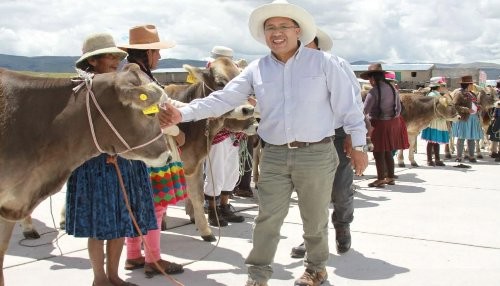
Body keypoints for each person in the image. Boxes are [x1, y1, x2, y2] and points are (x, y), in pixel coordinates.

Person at [159, 1, 369, 285]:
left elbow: (350, 108)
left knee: (315, 217)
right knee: (267, 218)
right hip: (274, 155)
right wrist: (182, 112)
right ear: (264, 34)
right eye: (270, 27)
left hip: (316, 153)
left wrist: (359, 146)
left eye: (283, 26)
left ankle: (316, 269)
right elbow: (221, 100)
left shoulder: (325, 63)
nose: (277, 32)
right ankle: (258, 275)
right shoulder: (257, 69)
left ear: (298, 31)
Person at [66, 32, 157, 286]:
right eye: (109, 56)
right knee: (99, 226)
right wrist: (106, 149)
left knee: (120, 223)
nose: (115, 60)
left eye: (117, 56)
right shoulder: (82, 89)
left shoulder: (124, 84)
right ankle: (99, 279)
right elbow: (78, 128)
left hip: (125, 162)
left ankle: (114, 276)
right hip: (95, 164)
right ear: (92, 61)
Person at [117, 24, 185, 276]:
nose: (159, 57)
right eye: (156, 52)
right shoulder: (138, 78)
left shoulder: (129, 74)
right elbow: (150, 118)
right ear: (146, 53)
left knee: (138, 204)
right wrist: (177, 131)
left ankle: (134, 255)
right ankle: (153, 259)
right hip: (150, 151)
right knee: (156, 205)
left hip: (135, 151)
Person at [290, 27, 362, 259]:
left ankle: (342, 225)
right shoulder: (290, 67)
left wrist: (354, 136)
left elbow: (354, 100)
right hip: (308, 137)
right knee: (310, 192)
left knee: (341, 187)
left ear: (316, 43)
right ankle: (311, 238)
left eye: (305, 41)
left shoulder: (337, 63)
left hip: (338, 134)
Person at [203, 45, 246, 227]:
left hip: (233, 130)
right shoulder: (209, 76)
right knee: (217, 170)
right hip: (218, 129)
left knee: (231, 169)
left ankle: (224, 206)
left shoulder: (231, 76)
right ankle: (212, 210)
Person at [362, 63, 409, 188]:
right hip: (393, 123)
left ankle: (380, 179)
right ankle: (390, 177)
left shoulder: (374, 92)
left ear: (373, 78)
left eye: (370, 79)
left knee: (378, 152)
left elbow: (364, 111)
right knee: (388, 150)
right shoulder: (393, 89)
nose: (370, 81)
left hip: (378, 124)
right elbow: (398, 109)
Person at [451, 75, 483, 163]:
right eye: (471, 84)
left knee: (472, 138)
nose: (472, 85)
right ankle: (459, 156)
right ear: (468, 84)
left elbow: (474, 103)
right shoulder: (459, 94)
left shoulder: (472, 94)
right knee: (461, 138)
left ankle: (471, 156)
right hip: (464, 118)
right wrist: (467, 110)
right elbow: (455, 106)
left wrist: (478, 107)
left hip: (473, 118)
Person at [421, 77, 450, 166]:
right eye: (442, 85)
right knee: (432, 140)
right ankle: (430, 160)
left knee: (435, 141)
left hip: (438, 120)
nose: (443, 87)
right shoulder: (432, 95)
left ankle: (436, 159)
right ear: (438, 86)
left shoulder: (437, 95)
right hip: (434, 120)